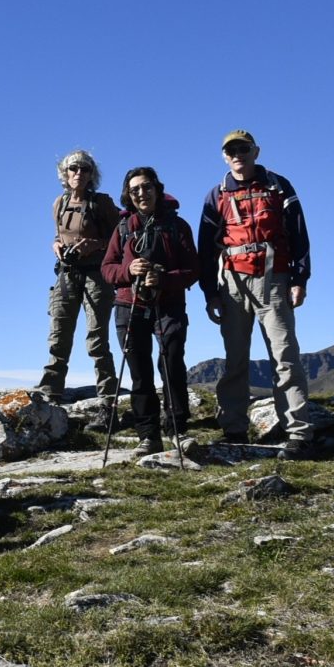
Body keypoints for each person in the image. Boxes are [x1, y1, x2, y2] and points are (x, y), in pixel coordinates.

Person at [197, 130, 313, 460]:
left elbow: (299, 234)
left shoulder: (278, 186)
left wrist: (300, 279)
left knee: (284, 354)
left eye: (243, 148)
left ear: (255, 151)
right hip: (232, 281)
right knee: (235, 357)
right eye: (231, 150)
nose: (238, 154)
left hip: (274, 278)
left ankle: (298, 432)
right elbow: (205, 248)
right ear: (224, 156)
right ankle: (234, 428)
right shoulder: (216, 194)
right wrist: (210, 293)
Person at [101, 167, 199, 454]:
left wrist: (164, 279)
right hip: (128, 305)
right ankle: (148, 435)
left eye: (146, 187)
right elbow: (107, 269)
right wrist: (128, 270)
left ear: (157, 189)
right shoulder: (122, 228)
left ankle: (177, 430)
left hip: (169, 304)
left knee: (172, 363)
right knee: (139, 371)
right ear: (128, 195)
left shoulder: (177, 226)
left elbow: (193, 269)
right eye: (135, 190)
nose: (141, 193)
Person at [36, 150, 122, 430]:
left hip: (97, 275)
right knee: (58, 334)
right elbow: (58, 234)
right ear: (65, 172)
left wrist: (94, 245)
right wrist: (56, 245)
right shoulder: (59, 203)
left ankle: (108, 399)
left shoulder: (102, 203)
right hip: (66, 274)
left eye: (85, 169)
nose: (79, 173)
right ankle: (50, 393)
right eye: (73, 168)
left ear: (91, 174)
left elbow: (120, 237)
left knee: (97, 338)